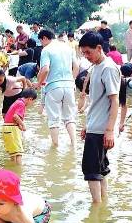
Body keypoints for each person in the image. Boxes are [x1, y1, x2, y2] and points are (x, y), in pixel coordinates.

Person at [79, 31, 120, 203]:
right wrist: (87, 125)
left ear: (98, 48)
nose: (86, 56)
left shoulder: (108, 68)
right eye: (83, 53)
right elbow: (97, 102)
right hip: (95, 126)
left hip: (101, 129)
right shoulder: (97, 67)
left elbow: (115, 100)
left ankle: (95, 209)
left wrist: (109, 130)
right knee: (100, 169)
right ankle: (102, 206)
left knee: (91, 171)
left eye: (88, 52)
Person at [33, 29, 79, 147]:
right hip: (69, 86)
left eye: (41, 41)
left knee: (53, 119)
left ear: (44, 38)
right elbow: (77, 66)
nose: (41, 44)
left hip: (53, 87)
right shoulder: (68, 48)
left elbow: (45, 69)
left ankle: (55, 146)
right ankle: (74, 144)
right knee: (69, 118)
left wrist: (38, 83)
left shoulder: (46, 50)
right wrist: (72, 81)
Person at [2, 89, 37, 164]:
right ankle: (19, 171)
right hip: (12, 128)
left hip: (6, 128)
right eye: (32, 102)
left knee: (13, 153)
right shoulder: (22, 104)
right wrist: (23, 125)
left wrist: (19, 126)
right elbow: (16, 116)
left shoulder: (17, 101)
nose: (32, 104)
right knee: (19, 153)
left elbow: (12, 118)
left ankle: (13, 168)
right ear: (30, 99)